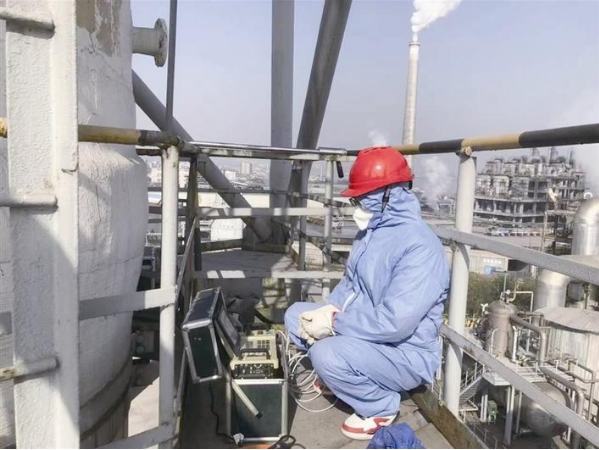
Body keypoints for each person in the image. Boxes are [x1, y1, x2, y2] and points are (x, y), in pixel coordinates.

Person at [284, 146, 449, 440]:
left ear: (390, 194)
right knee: (295, 315)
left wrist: (333, 324)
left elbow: (394, 324)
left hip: (404, 353)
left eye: (362, 198)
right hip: (366, 335)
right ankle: (345, 375)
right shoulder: (371, 232)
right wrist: (326, 312)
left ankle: (379, 406)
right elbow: (350, 285)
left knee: (324, 352)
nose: (357, 205)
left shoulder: (421, 248)